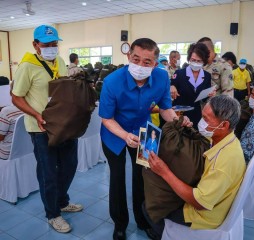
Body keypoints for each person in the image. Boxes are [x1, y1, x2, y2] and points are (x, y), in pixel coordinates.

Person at [99, 38, 192, 240]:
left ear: (155, 64)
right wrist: (124, 135)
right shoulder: (112, 81)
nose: (140, 65)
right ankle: (120, 223)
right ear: (128, 56)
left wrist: (178, 122)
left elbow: (166, 108)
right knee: (117, 178)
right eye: (136, 59)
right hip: (115, 132)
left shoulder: (161, 78)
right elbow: (106, 118)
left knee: (143, 177)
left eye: (147, 62)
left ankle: (143, 219)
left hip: (143, 130)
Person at [12, 25, 82, 233]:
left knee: (70, 165)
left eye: (54, 44)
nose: (52, 48)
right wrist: (36, 114)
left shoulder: (59, 61)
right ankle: (53, 214)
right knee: (48, 172)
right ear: (35, 45)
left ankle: (62, 201)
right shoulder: (27, 66)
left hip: (64, 125)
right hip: (41, 128)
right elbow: (16, 97)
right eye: (46, 45)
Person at [144, 95, 245, 239]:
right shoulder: (225, 139)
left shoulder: (224, 162)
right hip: (212, 197)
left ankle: (162, 234)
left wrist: (164, 171)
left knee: (149, 207)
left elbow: (199, 203)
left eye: (206, 119)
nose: (201, 122)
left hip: (203, 215)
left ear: (224, 125)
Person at [170, 42, 212, 128]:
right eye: (193, 60)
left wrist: (209, 94)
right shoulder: (180, 74)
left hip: (196, 115)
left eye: (199, 61)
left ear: (204, 61)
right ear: (189, 59)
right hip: (180, 115)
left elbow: (203, 99)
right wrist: (171, 86)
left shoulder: (207, 76)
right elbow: (171, 86)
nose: (195, 63)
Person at [0, 81, 23, 160]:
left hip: (7, 153)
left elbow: (1, 137)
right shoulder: (34, 109)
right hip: (26, 151)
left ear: (11, 92)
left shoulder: (6, 112)